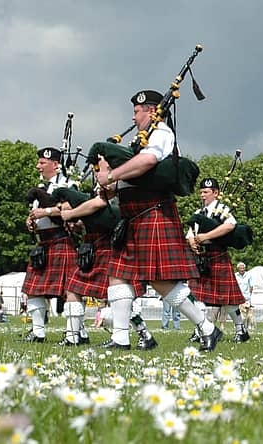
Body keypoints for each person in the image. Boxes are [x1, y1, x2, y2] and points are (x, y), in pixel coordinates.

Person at [95, 90, 220, 351]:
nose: (133, 116)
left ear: (151, 111)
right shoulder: (138, 141)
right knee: (117, 275)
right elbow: (130, 176)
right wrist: (110, 183)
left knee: (160, 280)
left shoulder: (161, 133)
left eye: (136, 111)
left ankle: (207, 328)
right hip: (132, 216)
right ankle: (120, 337)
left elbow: (148, 162)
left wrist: (112, 175)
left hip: (153, 213)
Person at [58, 171, 157, 349]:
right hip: (94, 246)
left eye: (99, 164)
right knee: (73, 287)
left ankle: (144, 334)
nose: (97, 171)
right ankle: (73, 337)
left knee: (119, 298)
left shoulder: (117, 183)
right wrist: (79, 224)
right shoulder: (101, 185)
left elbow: (101, 205)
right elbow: (96, 214)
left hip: (110, 246)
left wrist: (71, 213)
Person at [22, 147, 79, 342]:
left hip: (61, 240)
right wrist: (31, 222)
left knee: (69, 290)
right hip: (43, 243)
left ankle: (75, 334)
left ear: (55, 164)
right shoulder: (42, 187)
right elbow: (38, 214)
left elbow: (72, 208)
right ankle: (38, 332)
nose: (38, 166)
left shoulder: (68, 184)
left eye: (42, 163)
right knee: (33, 289)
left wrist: (45, 212)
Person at [187, 178, 249, 343]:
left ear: (216, 193)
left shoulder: (222, 209)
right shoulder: (199, 213)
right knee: (197, 297)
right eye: (201, 192)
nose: (202, 195)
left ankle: (240, 329)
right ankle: (200, 329)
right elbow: (190, 233)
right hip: (202, 257)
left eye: (206, 192)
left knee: (226, 299)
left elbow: (230, 225)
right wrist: (192, 242)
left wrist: (206, 236)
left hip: (218, 256)